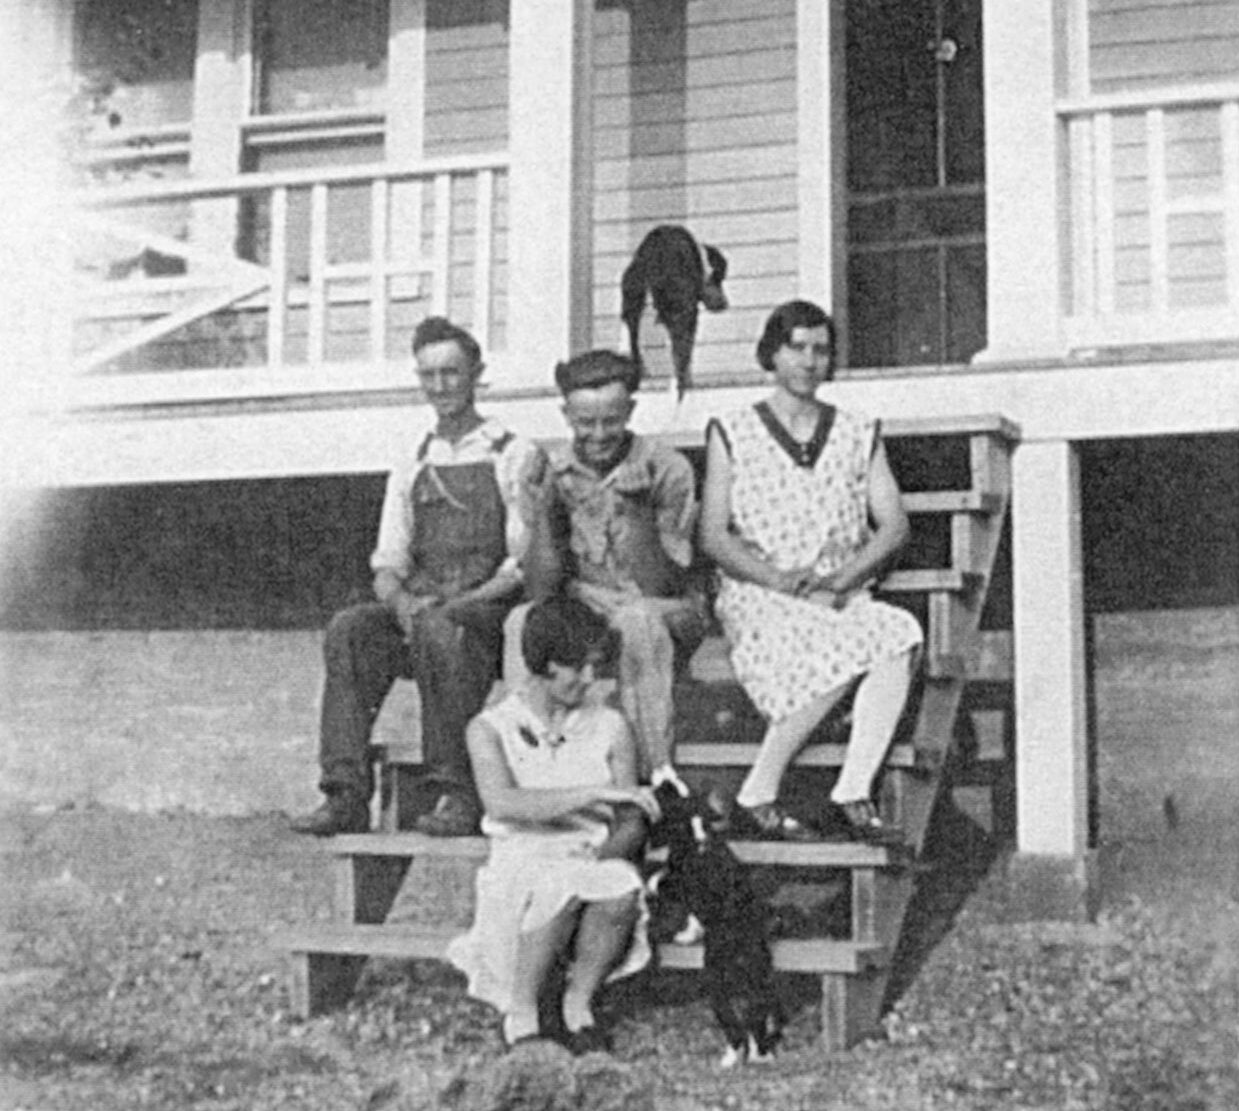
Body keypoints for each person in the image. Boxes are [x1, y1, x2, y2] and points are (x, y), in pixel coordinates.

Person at [291, 317, 542, 838]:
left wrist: (459, 604)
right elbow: (388, 562)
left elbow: (521, 565)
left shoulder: (512, 453)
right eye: (429, 375)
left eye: (452, 372)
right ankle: (344, 793)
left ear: (477, 374)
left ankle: (457, 791)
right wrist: (402, 604)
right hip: (425, 614)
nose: (440, 386)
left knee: (440, 626)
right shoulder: (412, 459)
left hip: (488, 618)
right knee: (351, 629)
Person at [698, 300, 923, 845]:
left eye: (820, 349)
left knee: (898, 632)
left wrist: (842, 579)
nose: (808, 360)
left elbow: (893, 525)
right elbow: (714, 536)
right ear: (771, 355)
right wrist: (778, 581)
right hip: (760, 592)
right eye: (795, 347)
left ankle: (852, 789)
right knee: (843, 647)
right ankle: (759, 790)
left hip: (836, 591)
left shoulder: (857, 432)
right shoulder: (732, 431)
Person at [447, 595, 660, 1052]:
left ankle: (578, 1004)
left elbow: (630, 819)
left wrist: (605, 851)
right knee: (557, 884)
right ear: (545, 664)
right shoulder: (489, 728)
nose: (590, 678)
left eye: (595, 666)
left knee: (620, 886)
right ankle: (522, 1011)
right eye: (577, 667)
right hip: (522, 856)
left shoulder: (611, 726)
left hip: (586, 851)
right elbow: (503, 803)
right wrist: (593, 794)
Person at [512, 349, 710, 780]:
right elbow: (541, 589)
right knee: (521, 621)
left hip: (668, 610)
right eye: (586, 423)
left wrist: (637, 514)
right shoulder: (550, 471)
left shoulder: (666, 467)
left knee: (637, 620)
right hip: (587, 606)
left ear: (630, 411)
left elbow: (661, 585)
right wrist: (544, 510)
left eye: (612, 421)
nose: (599, 435)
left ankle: (653, 776)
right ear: (566, 415)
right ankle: (529, 769)